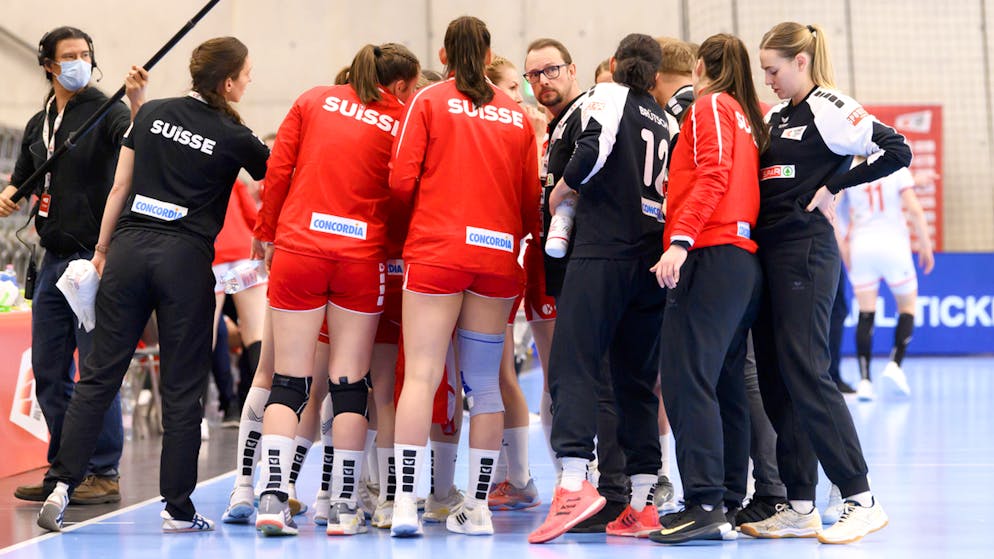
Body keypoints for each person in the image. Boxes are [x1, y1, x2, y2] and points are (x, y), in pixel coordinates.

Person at [35, 36, 268, 533]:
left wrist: (101, 252)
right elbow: (279, 180)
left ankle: (60, 487)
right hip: (185, 261)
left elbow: (120, 187)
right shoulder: (236, 135)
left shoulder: (152, 113)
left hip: (128, 251)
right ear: (228, 83)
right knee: (182, 389)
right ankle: (177, 509)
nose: (251, 80)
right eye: (248, 73)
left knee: (98, 375)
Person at [741, 22, 912, 545]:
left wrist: (836, 184)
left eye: (773, 69)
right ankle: (800, 505)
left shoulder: (831, 107)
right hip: (768, 257)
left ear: (800, 61)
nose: (767, 79)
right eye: (762, 70)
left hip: (806, 254)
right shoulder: (777, 115)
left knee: (808, 372)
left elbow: (896, 149)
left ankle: (862, 499)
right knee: (777, 378)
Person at [251, 42, 420, 537]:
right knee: (349, 383)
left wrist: (267, 233)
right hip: (360, 258)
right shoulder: (401, 120)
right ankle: (344, 508)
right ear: (401, 85)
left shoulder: (313, 99)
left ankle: (271, 498)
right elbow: (404, 192)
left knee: (289, 379)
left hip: (299, 248)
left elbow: (277, 171)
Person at [389, 15, 539, 537]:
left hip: (438, 250)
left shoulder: (428, 101)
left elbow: (399, 180)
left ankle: (405, 505)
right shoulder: (516, 115)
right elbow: (529, 200)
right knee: (486, 385)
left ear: (444, 56)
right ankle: (476, 509)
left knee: (422, 375)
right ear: (490, 54)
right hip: (497, 257)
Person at [528, 33, 676, 544]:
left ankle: (573, 483)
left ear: (612, 65)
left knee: (573, 363)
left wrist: (563, 187)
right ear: (656, 76)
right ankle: (642, 502)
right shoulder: (667, 120)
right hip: (649, 257)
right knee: (636, 382)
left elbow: (592, 149)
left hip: (603, 249)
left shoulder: (607, 95)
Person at [0, 26, 147, 507]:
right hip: (52, 259)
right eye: (69, 56)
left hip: (93, 258)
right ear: (48, 65)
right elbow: (26, 178)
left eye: (85, 54)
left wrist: (137, 103)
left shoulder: (107, 111)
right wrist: (10, 194)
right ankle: (67, 469)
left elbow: (139, 144)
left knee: (96, 369)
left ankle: (102, 471)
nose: (80, 62)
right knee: (48, 369)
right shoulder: (40, 120)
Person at [647, 33, 768, 544]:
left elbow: (714, 172)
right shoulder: (744, 113)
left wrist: (679, 240)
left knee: (685, 379)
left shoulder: (712, 105)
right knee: (722, 383)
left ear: (699, 67)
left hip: (712, 253)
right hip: (736, 260)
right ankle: (727, 499)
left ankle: (704, 502)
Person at [522, 37, 630, 533]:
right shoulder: (557, 125)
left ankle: (616, 492)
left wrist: (563, 188)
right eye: (534, 75)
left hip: (595, 264)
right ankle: (611, 489)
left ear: (571, 70)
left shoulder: (590, 110)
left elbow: (596, 165)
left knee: (598, 380)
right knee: (590, 380)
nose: (542, 81)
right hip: (570, 269)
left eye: (551, 70)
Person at [482, 54, 543, 512]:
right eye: (506, 87)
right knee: (490, 374)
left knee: (502, 373)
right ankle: (508, 476)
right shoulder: (500, 126)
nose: (515, 95)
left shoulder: (525, 127)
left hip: (514, 255)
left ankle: (521, 478)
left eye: (510, 86)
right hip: (494, 251)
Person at [842, 164, 935, 400]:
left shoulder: (850, 169)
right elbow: (914, 209)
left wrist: (843, 245)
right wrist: (925, 244)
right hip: (893, 243)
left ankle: (865, 381)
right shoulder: (895, 166)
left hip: (861, 244)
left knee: (865, 312)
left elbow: (834, 206)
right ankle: (895, 364)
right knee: (907, 307)